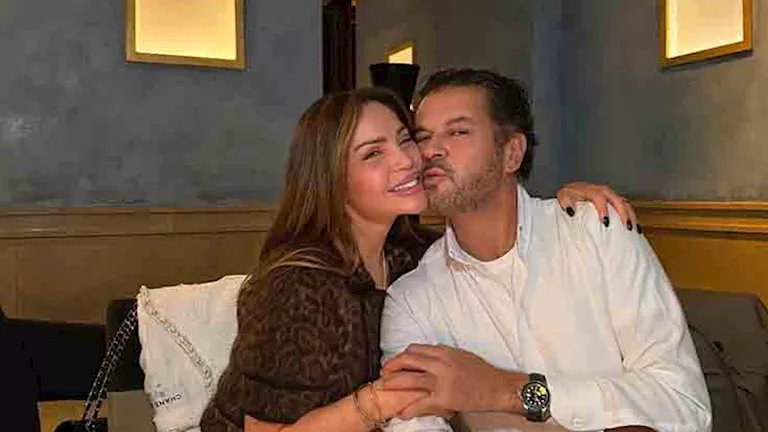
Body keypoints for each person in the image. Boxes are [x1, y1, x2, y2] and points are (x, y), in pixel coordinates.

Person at [200, 87, 637, 432]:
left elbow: (491, 229)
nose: (409, 161)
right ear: (331, 179)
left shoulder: (410, 256)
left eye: (405, 139)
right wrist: (378, 401)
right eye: (373, 153)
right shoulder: (295, 287)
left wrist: (562, 209)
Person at [378, 69, 712, 432]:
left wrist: (507, 390)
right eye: (423, 137)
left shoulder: (598, 233)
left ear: (512, 153)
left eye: (457, 132)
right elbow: (413, 424)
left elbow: (684, 405)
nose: (430, 151)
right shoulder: (412, 299)